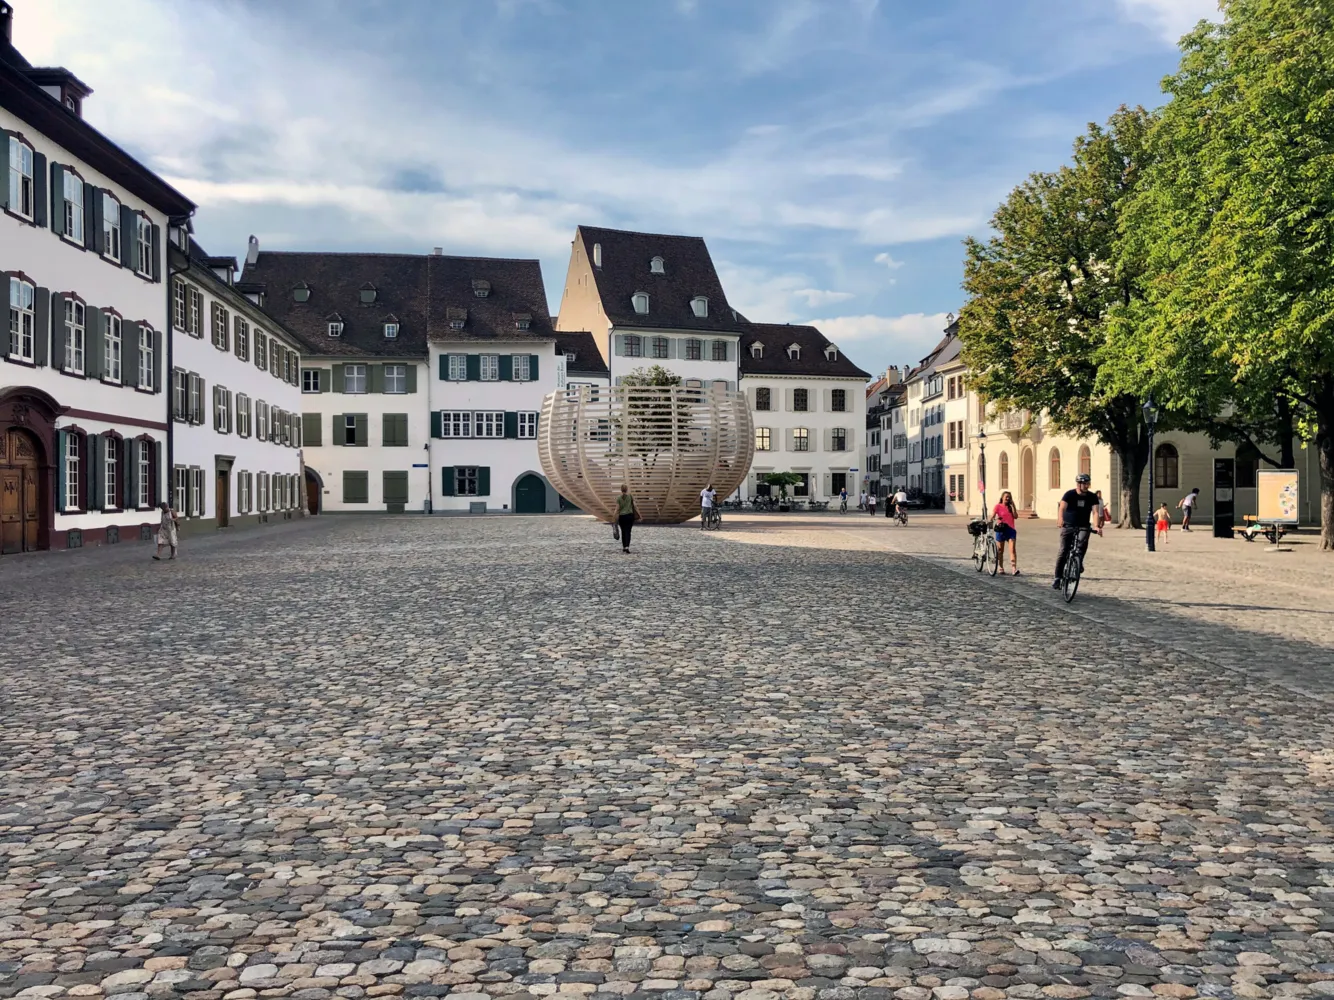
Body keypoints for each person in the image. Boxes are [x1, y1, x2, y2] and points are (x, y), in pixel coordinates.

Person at [1052, 473, 1102, 589]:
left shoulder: (1092, 496)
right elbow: (1062, 508)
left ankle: (1079, 561)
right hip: (1068, 525)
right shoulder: (1069, 494)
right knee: (1064, 550)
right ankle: (1057, 578)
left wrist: (1096, 526)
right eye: (1084, 483)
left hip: (1083, 525)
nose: (1086, 486)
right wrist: (1060, 519)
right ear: (1078, 484)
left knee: (1082, 543)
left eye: (1087, 483)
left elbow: (1095, 512)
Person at [993, 490, 1020, 575]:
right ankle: (1000, 567)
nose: (1007, 498)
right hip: (1001, 529)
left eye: (1009, 497)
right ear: (1002, 498)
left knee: (1012, 549)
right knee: (1000, 550)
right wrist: (991, 521)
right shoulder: (998, 506)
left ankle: (1014, 568)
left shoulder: (1010, 507)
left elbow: (1016, 516)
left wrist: (1013, 506)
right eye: (1006, 497)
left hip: (1011, 530)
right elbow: (993, 516)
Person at [616, 484, 640, 553]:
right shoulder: (630, 496)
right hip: (629, 516)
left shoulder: (618, 498)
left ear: (621, 490)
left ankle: (624, 547)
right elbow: (635, 506)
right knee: (628, 532)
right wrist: (640, 515)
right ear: (627, 489)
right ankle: (627, 547)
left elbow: (617, 509)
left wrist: (614, 517)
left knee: (623, 532)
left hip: (622, 517)